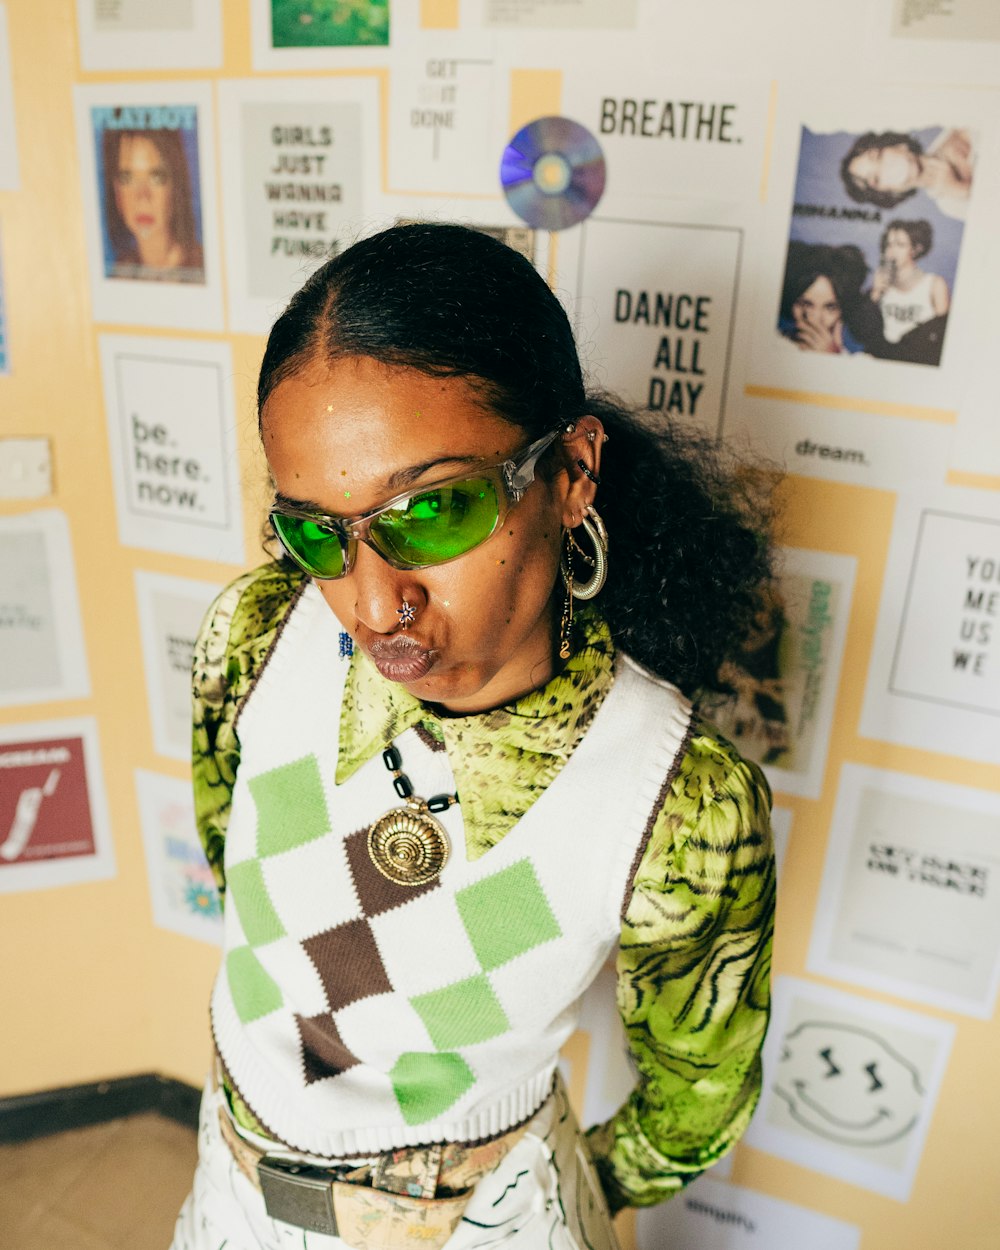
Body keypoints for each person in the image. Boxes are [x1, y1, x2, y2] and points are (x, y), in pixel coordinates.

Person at [171, 223, 776, 1250]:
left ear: (573, 471)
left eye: (434, 509)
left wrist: (516, 1199)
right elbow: (238, 862)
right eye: (318, 529)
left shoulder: (677, 799)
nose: (371, 602)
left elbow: (696, 1093)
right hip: (228, 1183)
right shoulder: (258, 630)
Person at [101, 126, 204, 282]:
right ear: (116, 191)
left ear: (175, 185)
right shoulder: (119, 273)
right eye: (127, 178)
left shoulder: (202, 269)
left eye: (156, 177)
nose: (142, 197)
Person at [840, 127, 975, 220]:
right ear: (890, 193)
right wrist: (963, 190)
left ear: (899, 145)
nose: (887, 168)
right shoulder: (949, 205)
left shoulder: (956, 132)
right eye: (876, 178)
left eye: (878, 157)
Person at [778, 240, 882, 354]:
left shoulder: (860, 360)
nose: (815, 319)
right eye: (805, 304)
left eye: (830, 308)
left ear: (843, 311)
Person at [869, 219, 950, 366]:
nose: (892, 251)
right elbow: (865, 333)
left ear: (915, 249)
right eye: (888, 245)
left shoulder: (934, 284)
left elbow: (944, 334)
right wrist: (874, 295)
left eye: (900, 245)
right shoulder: (880, 285)